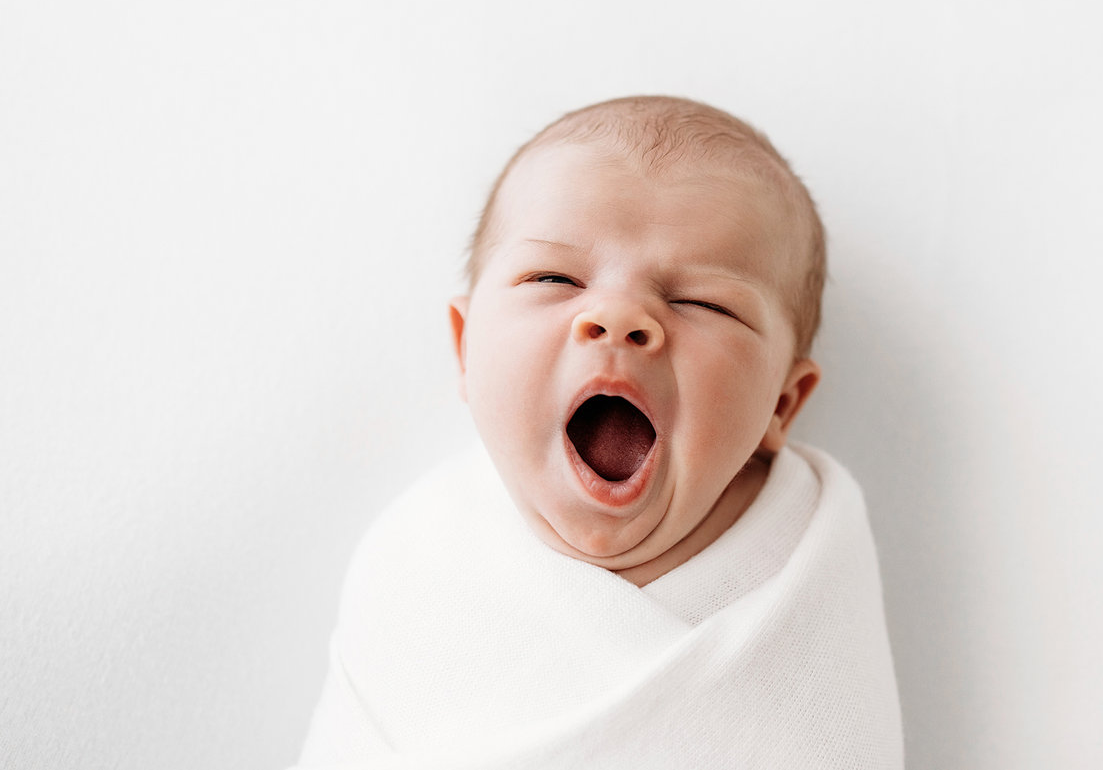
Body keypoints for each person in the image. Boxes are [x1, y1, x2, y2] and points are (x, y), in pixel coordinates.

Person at [293, 96, 903, 769]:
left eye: (701, 302)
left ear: (781, 404)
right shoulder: (421, 561)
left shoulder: (804, 559)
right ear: (466, 348)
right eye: (554, 278)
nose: (618, 316)